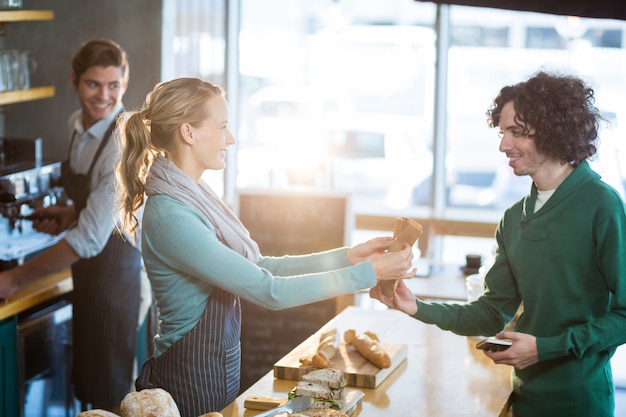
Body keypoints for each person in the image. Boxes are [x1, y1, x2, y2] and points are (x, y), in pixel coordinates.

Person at [115, 77, 415, 417]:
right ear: (189, 132)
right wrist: (367, 274)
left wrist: (349, 256)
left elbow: (263, 267)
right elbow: (269, 290)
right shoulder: (172, 214)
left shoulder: (194, 197)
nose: (231, 138)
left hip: (214, 372)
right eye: (223, 126)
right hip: (186, 383)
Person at [370, 71, 626, 417]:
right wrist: (418, 307)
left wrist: (546, 348)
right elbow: (492, 311)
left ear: (554, 130)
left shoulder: (603, 206)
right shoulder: (513, 218)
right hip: (521, 400)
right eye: (503, 131)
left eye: (516, 132)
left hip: (581, 405)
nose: (503, 145)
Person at [0, 39, 144, 413]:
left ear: (125, 83)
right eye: (94, 84)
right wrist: (71, 211)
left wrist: (14, 280)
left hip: (115, 282)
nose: (104, 96)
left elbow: (89, 239)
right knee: (87, 388)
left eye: (114, 85)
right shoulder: (79, 127)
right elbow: (93, 203)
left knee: (110, 395)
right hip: (87, 278)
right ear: (75, 82)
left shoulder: (123, 144)